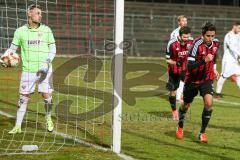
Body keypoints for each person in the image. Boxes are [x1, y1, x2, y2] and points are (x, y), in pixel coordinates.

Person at [1, 4, 56, 134]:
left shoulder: (46, 30)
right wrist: (4, 56)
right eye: (37, 13)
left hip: (45, 70)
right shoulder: (20, 31)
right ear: (29, 14)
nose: (40, 15)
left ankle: (48, 118)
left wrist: (47, 62)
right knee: (23, 98)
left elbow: (53, 49)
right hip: (28, 71)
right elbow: (12, 49)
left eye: (41, 13)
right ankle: (17, 126)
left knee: (46, 95)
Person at [176, 22, 220, 142]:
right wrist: (204, 61)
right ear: (202, 35)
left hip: (206, 78)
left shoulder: (216, 43)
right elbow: (189, 66)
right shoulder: (196, 45)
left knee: (209, 103)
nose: (210, 38)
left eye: (212, 36)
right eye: (208, 36)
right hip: (192, 80)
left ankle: (202, 133)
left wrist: (214, 69)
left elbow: (214, 56)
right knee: (186, 105)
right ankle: (180, 126)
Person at [166, 26, 193, 120]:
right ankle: (174, 111)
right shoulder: (172, 43)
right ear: (180, 36)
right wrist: (176, 63)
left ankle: (185, 103)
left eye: (188, 37)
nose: (186, 39)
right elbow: (167, 59)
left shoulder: (191, 42)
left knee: (191, 88)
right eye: (185, 37)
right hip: (174, 70)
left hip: (186, 69)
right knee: (173, 91)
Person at [215, 22, 240, 98]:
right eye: (239, 28)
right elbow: (231, 47)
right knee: (224, 76)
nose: (239, 30)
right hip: (228, 60)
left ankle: (217, 93)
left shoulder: (238, 35)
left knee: (239, 76)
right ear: (234, 26)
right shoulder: (228, 35)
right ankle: (218, 93)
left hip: (235, 60)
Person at [169, 15, 188, 103]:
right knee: (178, 77)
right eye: (183, 21)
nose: (185, 22)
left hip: (184, 58)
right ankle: (176, 95)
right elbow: (173, 46)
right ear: (179, 22)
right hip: (177, 58)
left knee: (183, 77)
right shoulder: (175, 33)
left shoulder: (186, 32)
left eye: (186, 20)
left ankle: (178, 96)